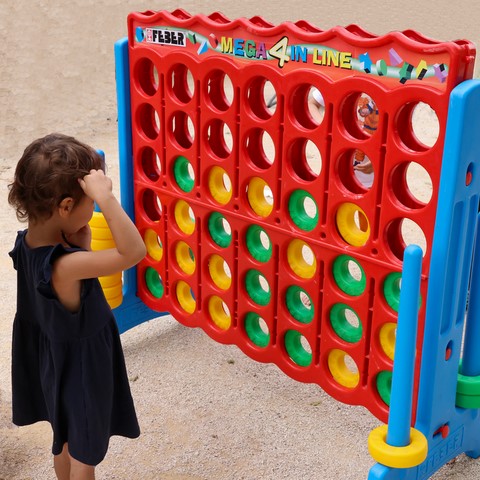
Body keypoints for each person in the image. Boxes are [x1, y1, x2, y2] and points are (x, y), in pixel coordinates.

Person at [7, 133, 146, 479]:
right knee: (85, 455)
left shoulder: (25, 244)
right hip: (83, 370)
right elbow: (133, 252)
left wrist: (81, 248)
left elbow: (58, 300)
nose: (94, 207)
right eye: (90, 202)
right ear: (66, 207)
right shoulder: (65, 266)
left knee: (65, 441)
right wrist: (107, 198)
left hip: (55, 363)